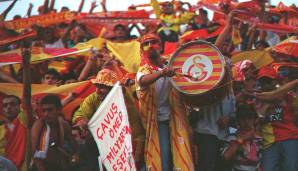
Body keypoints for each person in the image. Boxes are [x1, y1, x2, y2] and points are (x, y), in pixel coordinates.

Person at [136, 33, 194, 171]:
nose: (150, 46)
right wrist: (162, 73)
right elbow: (142, 81)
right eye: (146, 44)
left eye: (153, 42)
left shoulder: (173, 63)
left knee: (183, 156)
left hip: (177, 118)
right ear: (142, 50)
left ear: (160, 46)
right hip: (158, 122)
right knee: (163, 161)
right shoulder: (144, 70)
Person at [253, 67, 298, 171]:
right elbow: (259, 118)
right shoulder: (257, 97)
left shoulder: (289, 96)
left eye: (269, 81)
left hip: (290, 138)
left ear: (275, 81)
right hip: (268, 142)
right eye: (263, 81)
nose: (266, 84)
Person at [31, 94, 78, 171]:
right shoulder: (38, 125)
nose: (46, 114)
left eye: (50, 110)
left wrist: (76, 156)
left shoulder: (64, 125)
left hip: (59, 166)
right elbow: (35, 154)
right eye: (44, 110)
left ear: (59, 110)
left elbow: (75, 147)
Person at [222, 104, 262, 171]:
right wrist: (242, 139)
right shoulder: (232, 136)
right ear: (238, 120)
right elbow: (225, 157)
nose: (246, 122)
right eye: (243, 118)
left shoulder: (260, 139)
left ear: (254, 119)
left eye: (249, 118)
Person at [0, 95, 29, 171]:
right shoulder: (1, 128)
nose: (8, 107)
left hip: (16, 167)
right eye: (5, 105)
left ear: (20, 107)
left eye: (12, 104)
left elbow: (26, 96)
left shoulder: (23, 121)